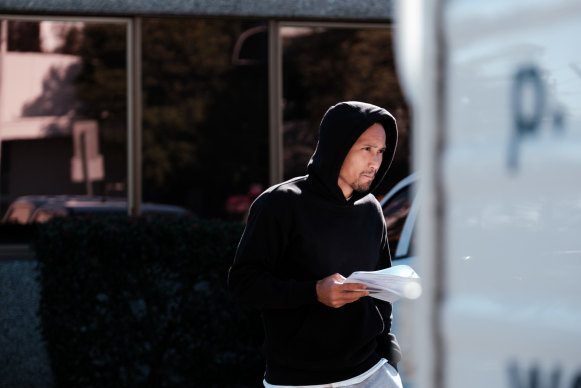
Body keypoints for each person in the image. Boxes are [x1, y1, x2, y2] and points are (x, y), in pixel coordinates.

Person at [228, 101, 403, 388]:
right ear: (338, 146)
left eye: (381, 151)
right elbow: (243, 284)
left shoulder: (371, 208)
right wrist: (314, 292)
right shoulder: (281, 203)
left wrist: (388, 352)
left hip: (372, 373)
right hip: (300, 381)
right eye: (366, 149)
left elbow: (380, 291)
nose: (375, 161)